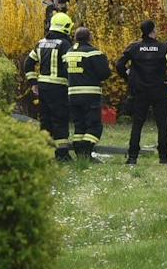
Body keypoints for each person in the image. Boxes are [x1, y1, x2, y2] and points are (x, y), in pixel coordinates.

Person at [116, 19, 167, 165]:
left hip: (139, 91)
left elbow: (119, 65)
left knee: (137, 124)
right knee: (162, 123)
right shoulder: (164, 48)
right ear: (152, 31)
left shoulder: (134, 48)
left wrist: (129, 78)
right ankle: (163, 157)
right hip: (159, 90)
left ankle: (132, 156)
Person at [23, 10, 75, 161]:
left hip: (43, 88)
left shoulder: (40, 43)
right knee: (60, 119)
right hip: (58, 89)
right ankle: (62, 154)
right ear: (66, 27)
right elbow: (68, 67)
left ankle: (44, 151)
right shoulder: (65, 44)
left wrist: (33, 83)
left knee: (45, 119)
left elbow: (28, 64)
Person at [62, 27, 111, 161]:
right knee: (94, 125)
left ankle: (80, 154)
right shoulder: (93, 53)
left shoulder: (69, 52)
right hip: (90, 94)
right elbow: (104, 74)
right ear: (89, 37)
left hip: (72, 94)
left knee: (79, 125)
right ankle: (86, 150)